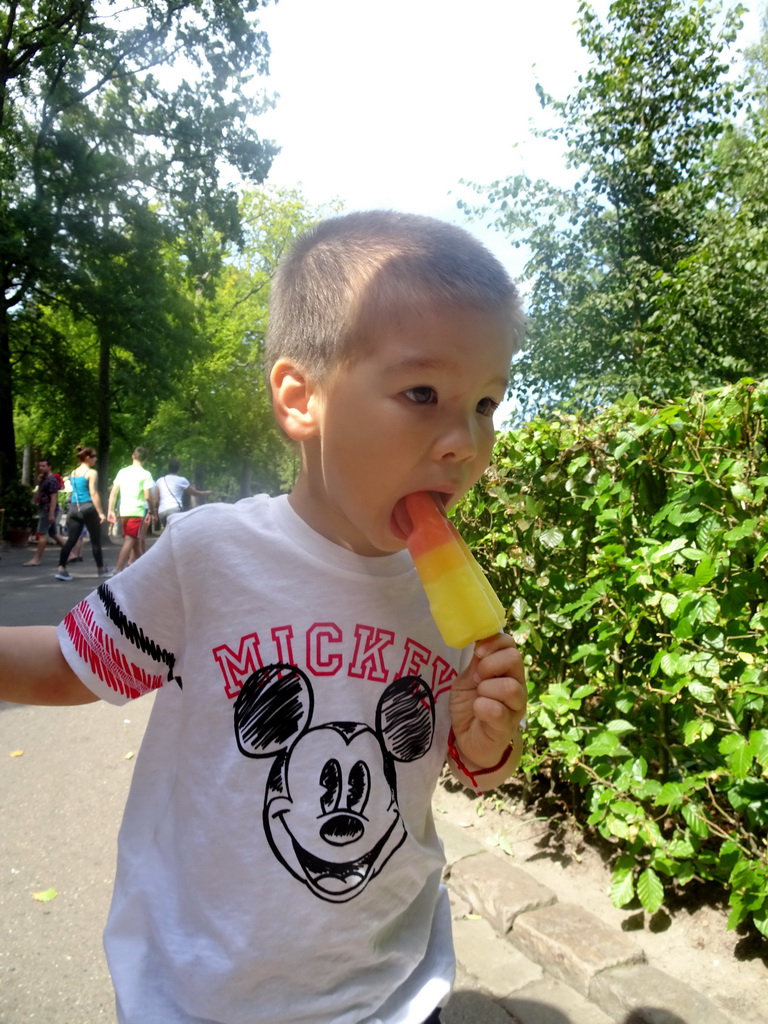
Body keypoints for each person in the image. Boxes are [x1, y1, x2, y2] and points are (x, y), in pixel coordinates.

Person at [0, 211, 528, 1024]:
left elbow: (462, 763)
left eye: (488, 402)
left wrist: (491, 741)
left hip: (390, 988)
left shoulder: (445, 598)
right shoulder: (210, 555)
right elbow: (72, 667)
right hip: (200, 988)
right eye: (423, 393)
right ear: (301, 398)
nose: (465, 440)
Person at [55, 447, 109, 581]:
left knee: (71, 541)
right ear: (88, 458)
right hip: (88, 508)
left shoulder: (73, 473)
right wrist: (100, 512)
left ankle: (61, 568)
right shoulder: (91, 473)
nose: (96, 459)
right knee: (95, 541)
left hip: (73, 508)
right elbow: (93, 493)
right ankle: (101, 569)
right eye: (94, 457)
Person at [107, 447, 154, 574]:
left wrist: (110, 510)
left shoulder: (122, 472)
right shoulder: (146, 474)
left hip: (124, 510)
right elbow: (148, 496)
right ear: (145, 459)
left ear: (132, 456)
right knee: (130, 540)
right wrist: (152, 511)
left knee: (135, 542)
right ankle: (117, 569)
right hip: (137, 511)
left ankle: (144, 568)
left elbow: (114, 492)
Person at [22, 458, 65, 566]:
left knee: (42, 534)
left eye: (43, 466)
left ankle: (36, 559)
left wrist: (51, 514)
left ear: (49, 467)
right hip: (44, 509)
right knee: (54, 533)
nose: (41, 468)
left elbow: (54, 498)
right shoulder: (44, 479)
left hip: (47, 510)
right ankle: (71, 553)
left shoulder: (52, 480)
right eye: (40, 466)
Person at [152, 457, 212, 527]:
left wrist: (152, 512)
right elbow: (194, 493)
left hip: (162, 512)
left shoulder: (160, 480)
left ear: (168, 468)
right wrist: (207, 492)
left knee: (167, 532)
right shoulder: (182, 480)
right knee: (175, 533)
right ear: (178, 469)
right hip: (175, 510)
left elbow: (155, 499)